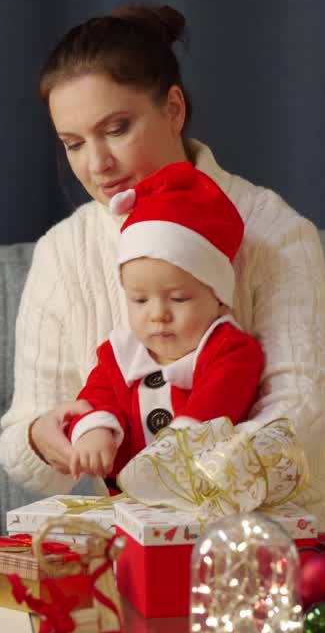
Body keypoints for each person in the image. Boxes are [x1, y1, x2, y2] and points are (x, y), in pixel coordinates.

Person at [0, 3, 325, 531]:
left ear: (173, 109)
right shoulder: (62, 253)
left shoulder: (274, 230)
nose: (96, 163)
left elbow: (297, 415)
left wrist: (186, 483)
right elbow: (22, 445)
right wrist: (46, 436)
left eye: (116, 128)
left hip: (287, 527)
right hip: (138, 540)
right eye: (74, 144)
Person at [67, 160, 263, 492]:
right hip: (131, 504)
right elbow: (98, 395)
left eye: (178, 299)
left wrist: (181, 444)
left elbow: (214, 406)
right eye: (140, 300)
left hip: (206, 497)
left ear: (218, 298)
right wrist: (95, 428)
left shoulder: (229, 350)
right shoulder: (121, 353)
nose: (158, 315)